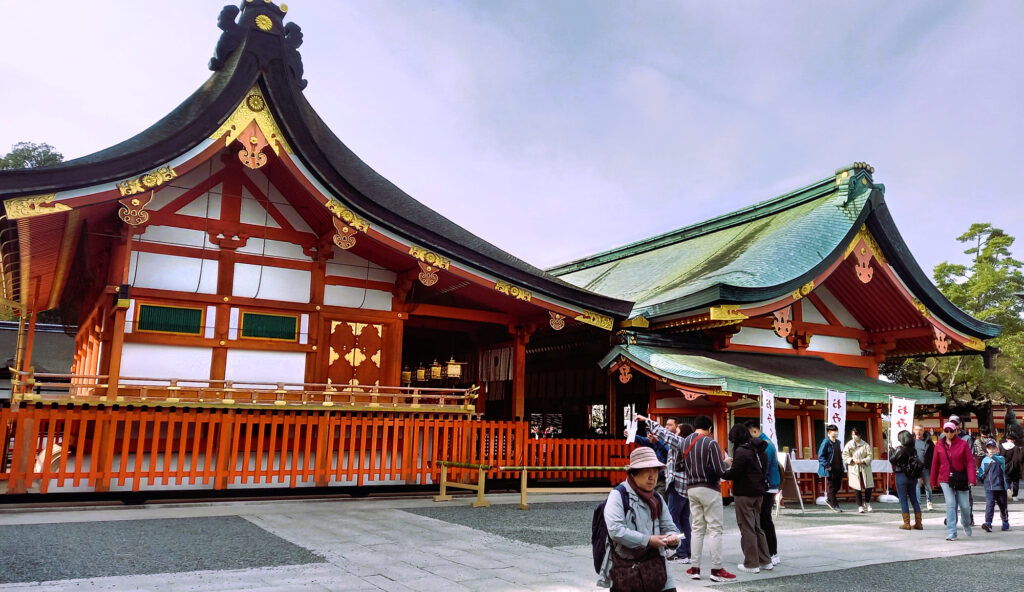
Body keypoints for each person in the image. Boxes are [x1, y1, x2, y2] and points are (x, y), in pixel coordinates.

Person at [637, 414, 735, 582]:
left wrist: (647, 420)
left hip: (691, 489)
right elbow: (720, 470)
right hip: (709, 489)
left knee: (696, 528)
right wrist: (728, 463)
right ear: (710, 429)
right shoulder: (711, 443)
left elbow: (664, 434)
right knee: (714, 529)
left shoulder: (684, 442)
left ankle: (695, 568)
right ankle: (716, 569)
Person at [599, 446, 681, 591]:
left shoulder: (657, 497)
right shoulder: (618, 495)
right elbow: (616, 531)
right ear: (633, 474)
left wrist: (673, 539)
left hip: (657, 567)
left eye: (655, 471)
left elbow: (669, 527)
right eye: (646, 472)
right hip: (627, 569)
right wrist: (648, 540)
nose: (652, 477)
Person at [638, 417, 692, 563]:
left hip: (677, 485)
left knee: (674, 519)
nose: (676, 433)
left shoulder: (680, 443)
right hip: (688, 486)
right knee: (684, 519)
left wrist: (645, 419)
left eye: (678, 430)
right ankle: (687, 551)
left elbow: (664, 433)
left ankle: (681, 553)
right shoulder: (689, 444)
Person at [722, 423, 772, 574]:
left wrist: (721, 472)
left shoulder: (741, 451)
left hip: (744, 493)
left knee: (747, 528)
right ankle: (765, 561)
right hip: (759, 492)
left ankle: (751, 563)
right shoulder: (759, 449)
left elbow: (735, 472)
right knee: (757, 527)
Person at [931, 421, 977, 541]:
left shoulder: (963, 444)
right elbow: (935, 463)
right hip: (945, 478)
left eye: (951, 431)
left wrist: (972, 478)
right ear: (943, 431)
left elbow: (970, 462)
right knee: (950, 504)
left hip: (961, 478)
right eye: (946, 431)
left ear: (956, 431)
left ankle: (966, 522)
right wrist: (932, 480)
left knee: (965, 506)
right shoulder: (939, 445)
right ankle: (952, 532)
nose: (949, 433)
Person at [745, 420, 781, 565]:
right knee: (765, 520)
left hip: (767, 486)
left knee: (765, 520)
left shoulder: (765, 446)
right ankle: (771, 552)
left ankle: (771, 553)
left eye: (749, 436)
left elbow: (762, 467)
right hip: (770, 485)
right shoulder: (767, 443)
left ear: (754, 431)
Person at [889, 429, 924, 530]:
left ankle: (906, 523)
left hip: (901, 475)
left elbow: (892, 459)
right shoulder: (913, 449)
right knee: (914, 498)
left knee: (903, 499)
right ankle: (918, 522)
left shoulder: (900, 449)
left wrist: (892, 451)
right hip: (912, 476)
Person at [977, 439, 1010, 532]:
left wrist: (993, 457)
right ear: (986, 449)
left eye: (993, 448)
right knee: (989, 505)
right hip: (989, 488)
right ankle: (988, 523)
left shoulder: (1001, 459)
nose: (991, 450)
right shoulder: (984, 460)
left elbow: (999, 461)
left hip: (1000, 487)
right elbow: (982, 471)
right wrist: (978, 476)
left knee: (1003, 506)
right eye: (989, 448)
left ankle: (1005, 521)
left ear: (997, 449)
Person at [948, 415, 976, 525]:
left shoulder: (966, 438)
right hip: (949, 471)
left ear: (959, 425)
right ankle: (951, 518)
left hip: (963, 472)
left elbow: (971, 457)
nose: (954, 425)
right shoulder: (945, 436)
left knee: (966, 497)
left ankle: (969, 517)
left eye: (956, 423)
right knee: (951, 497)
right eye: (952, 423)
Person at [842, 427, 874, 513]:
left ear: (859, 435)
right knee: (857, 486)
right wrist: (852, 460)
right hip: (854, 467)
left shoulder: (865, 445)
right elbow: (845, 455)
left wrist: (863, 460)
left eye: (856, 435)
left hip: (864, 467)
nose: (854, 436)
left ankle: (867, 503)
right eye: (853, 435)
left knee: (868, 486)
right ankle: (860, 505)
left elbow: (870, 456)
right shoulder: (849, 444)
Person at [817, 424, 845, 512]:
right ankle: (834, 504)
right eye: (834, 431)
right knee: (832, 487)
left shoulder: (838, 442)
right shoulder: (826, 442)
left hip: (839, 467)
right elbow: (821, 456)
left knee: (838, 486)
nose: (836, 433)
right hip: (831, 468)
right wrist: (827, 466)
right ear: (829, 432)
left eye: (837, 431)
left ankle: (829, 499)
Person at [913, 425, 935, 511]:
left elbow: (934, 454)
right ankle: (918, 503)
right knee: (917, 485)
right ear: (914, 431)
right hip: (916, 466)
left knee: (928, 485)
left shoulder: (929, 442)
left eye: (920, 430)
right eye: (917, 430)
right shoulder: (911, 441)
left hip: (926, 466)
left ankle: (929, 502)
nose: (918, 432)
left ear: (923, 431)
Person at [1001, 433, 1022, 502]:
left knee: (1007, 481)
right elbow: (1018, 459)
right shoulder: (1016, 448)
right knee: (1015, 482)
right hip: (1014, 467)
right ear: (1014, 440)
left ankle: (1008, 490)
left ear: (1006, 439)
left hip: (1005, 466)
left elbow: (1000, 456)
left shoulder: (1001, 447)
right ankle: (1015, 496)